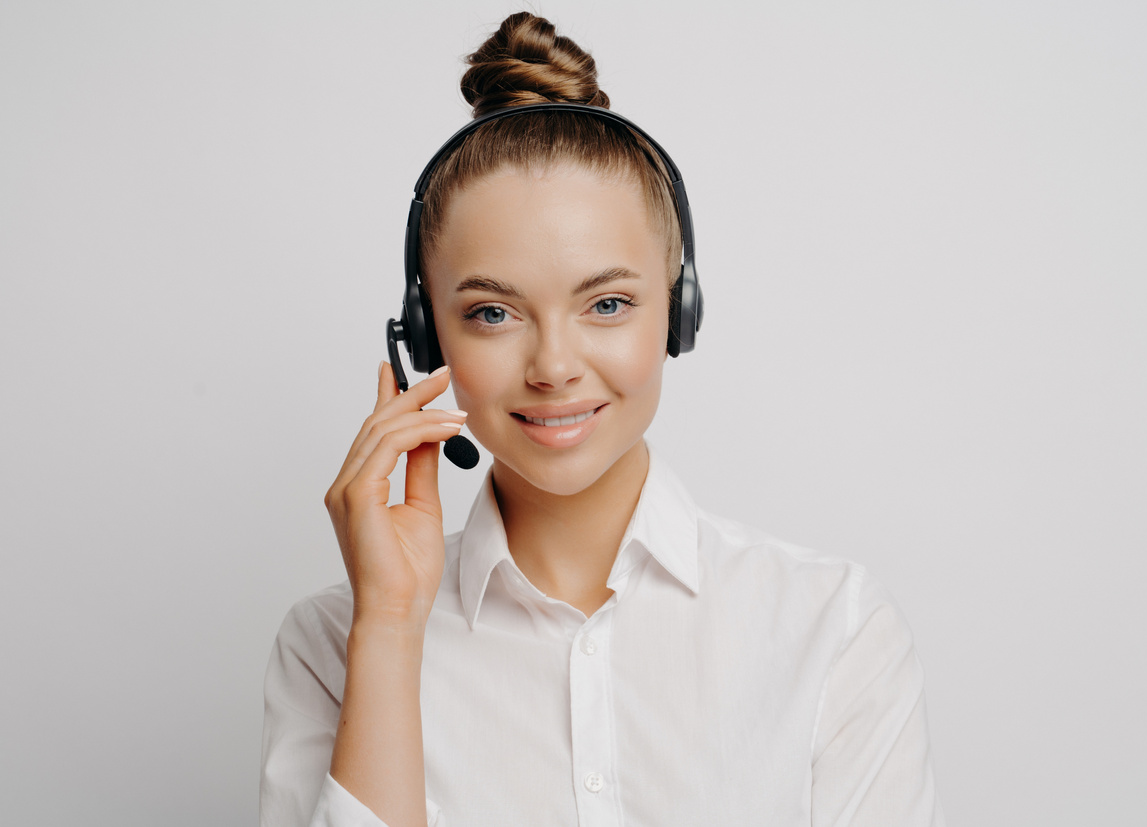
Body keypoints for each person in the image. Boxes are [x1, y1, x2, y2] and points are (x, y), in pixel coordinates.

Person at [260, 12, 944, 827]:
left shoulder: (831, 629)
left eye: (608, 303)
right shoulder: (332, 644)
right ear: (423, 333)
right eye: (491, 314)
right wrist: (390, 631)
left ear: (679, 313)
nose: (553, 366)